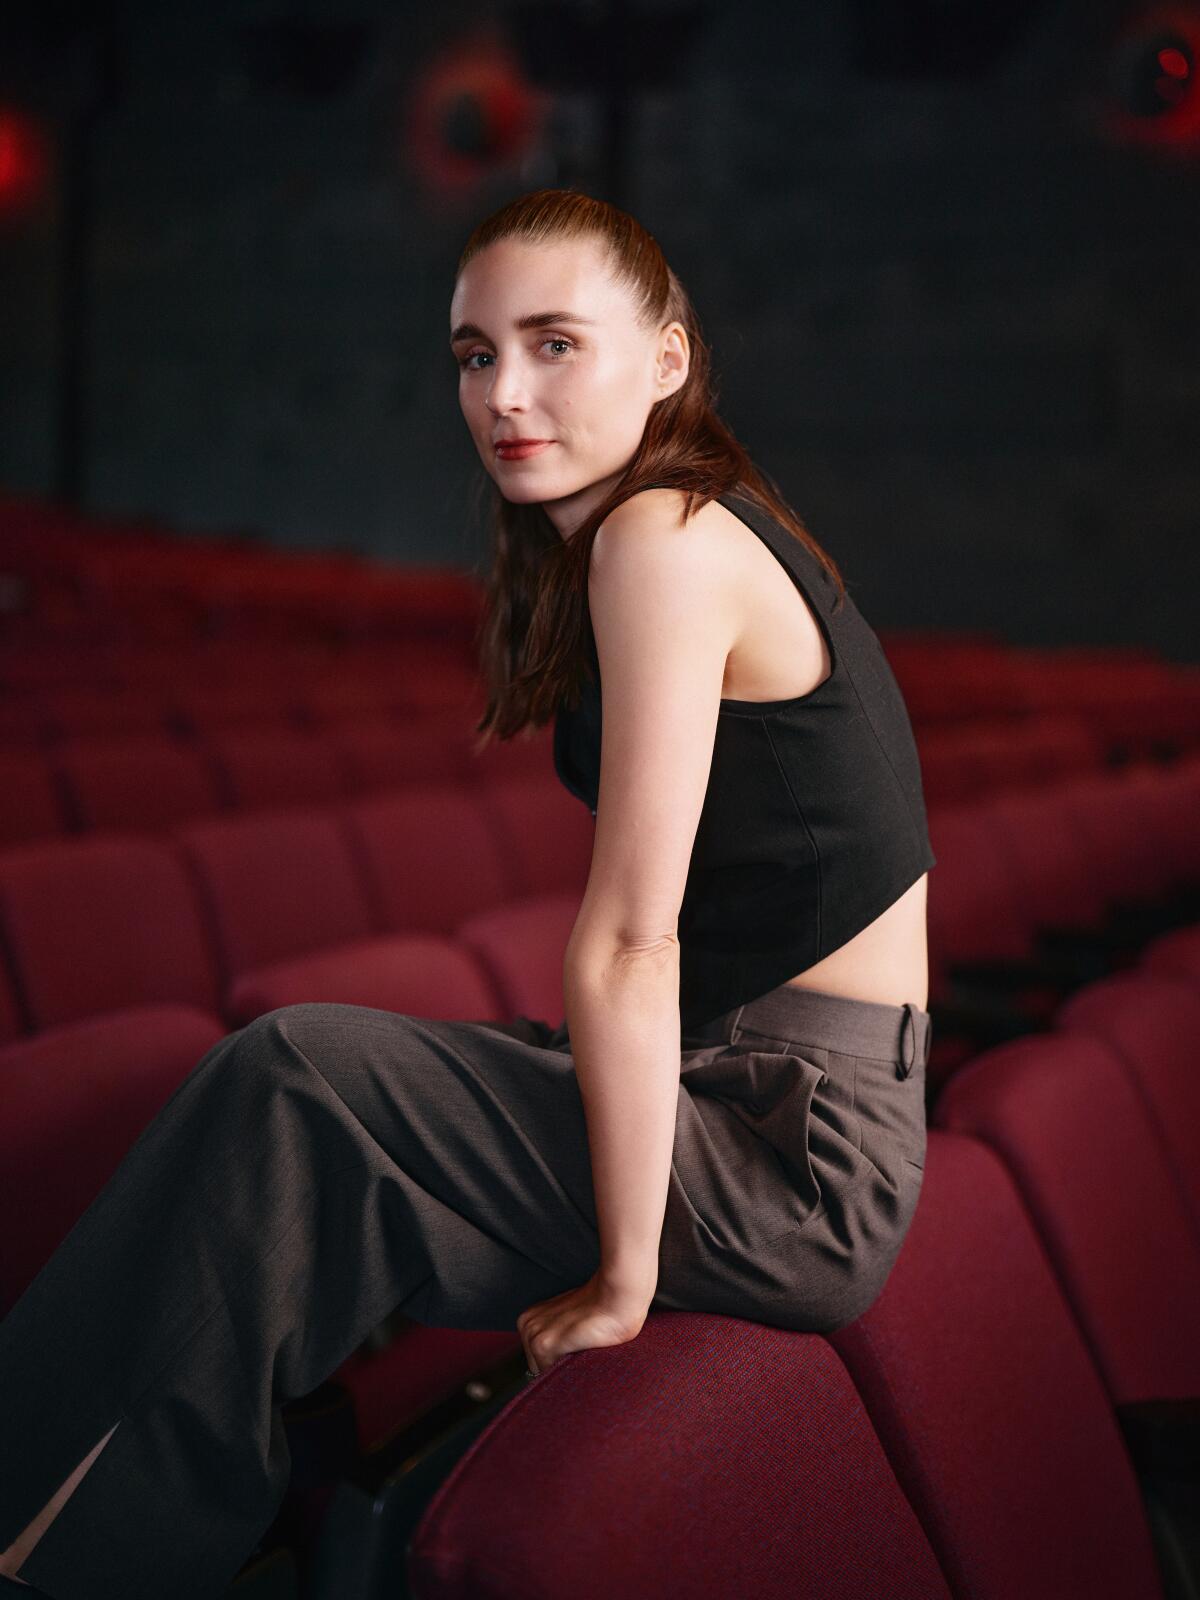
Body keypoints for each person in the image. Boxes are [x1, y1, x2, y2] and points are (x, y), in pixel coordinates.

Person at [0, 187, 935, 1599]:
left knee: (297, 1073)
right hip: (763, 1105)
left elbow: (631, 942)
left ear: (669, 359)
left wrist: (624, 1282)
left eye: (555, 344)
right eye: (474, 355)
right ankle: (113, 1509)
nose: (506, 394)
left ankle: (66, 1546)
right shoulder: (673, 525)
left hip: (790, 1157)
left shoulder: (664, 539)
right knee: (306, 1117)